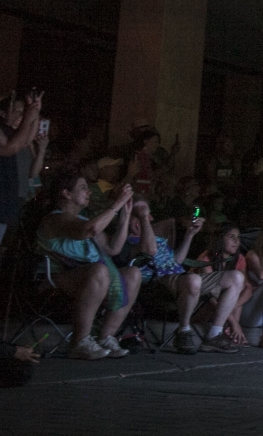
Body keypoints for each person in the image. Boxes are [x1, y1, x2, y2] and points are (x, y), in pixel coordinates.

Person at [36, 173, 140, 360]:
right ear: (66, 193)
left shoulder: (85, 220)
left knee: (133, 273)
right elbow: (89, 231)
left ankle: (106, 337)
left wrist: (125, 215)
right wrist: (115, 205)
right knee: (99, 271)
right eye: (83, 187)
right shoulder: (55, 219)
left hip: (92, 276)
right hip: (60, 277)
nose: (89, 192)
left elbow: (113, 249)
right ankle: (80, 341)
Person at [125, 198, 242, 354]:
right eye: (138, 215)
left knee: (236, 277)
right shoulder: (129, 241)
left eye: (146, 215)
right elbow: (148, 250)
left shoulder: (159, 240)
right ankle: (183, 331)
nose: (144, 218)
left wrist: (190, 234)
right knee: (192, 279)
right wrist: (143, 218)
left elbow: (176, 261)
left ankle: (215, 334)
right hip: (156, 283)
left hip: (179, 278)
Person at [196, 224, 253, 346]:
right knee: (224, 293)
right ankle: (231, 330)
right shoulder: (206, 258)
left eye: (238, 237)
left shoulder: (238, 258)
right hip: (202, 305)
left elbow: (247, 288)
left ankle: (230, 332)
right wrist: (234, 322)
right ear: (220, 239)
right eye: (231, 237)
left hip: (221, 307)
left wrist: (228, 309)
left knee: (242, 288)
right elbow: (209, 295)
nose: (236, 241)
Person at [0, 89, 43, 245]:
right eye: (17, 111)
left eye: (22, 112)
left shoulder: (10, 132)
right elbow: (11, 147)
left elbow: (25, 140)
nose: (20, 115)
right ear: (3, 113)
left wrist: (35, 113)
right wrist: (29, 117)